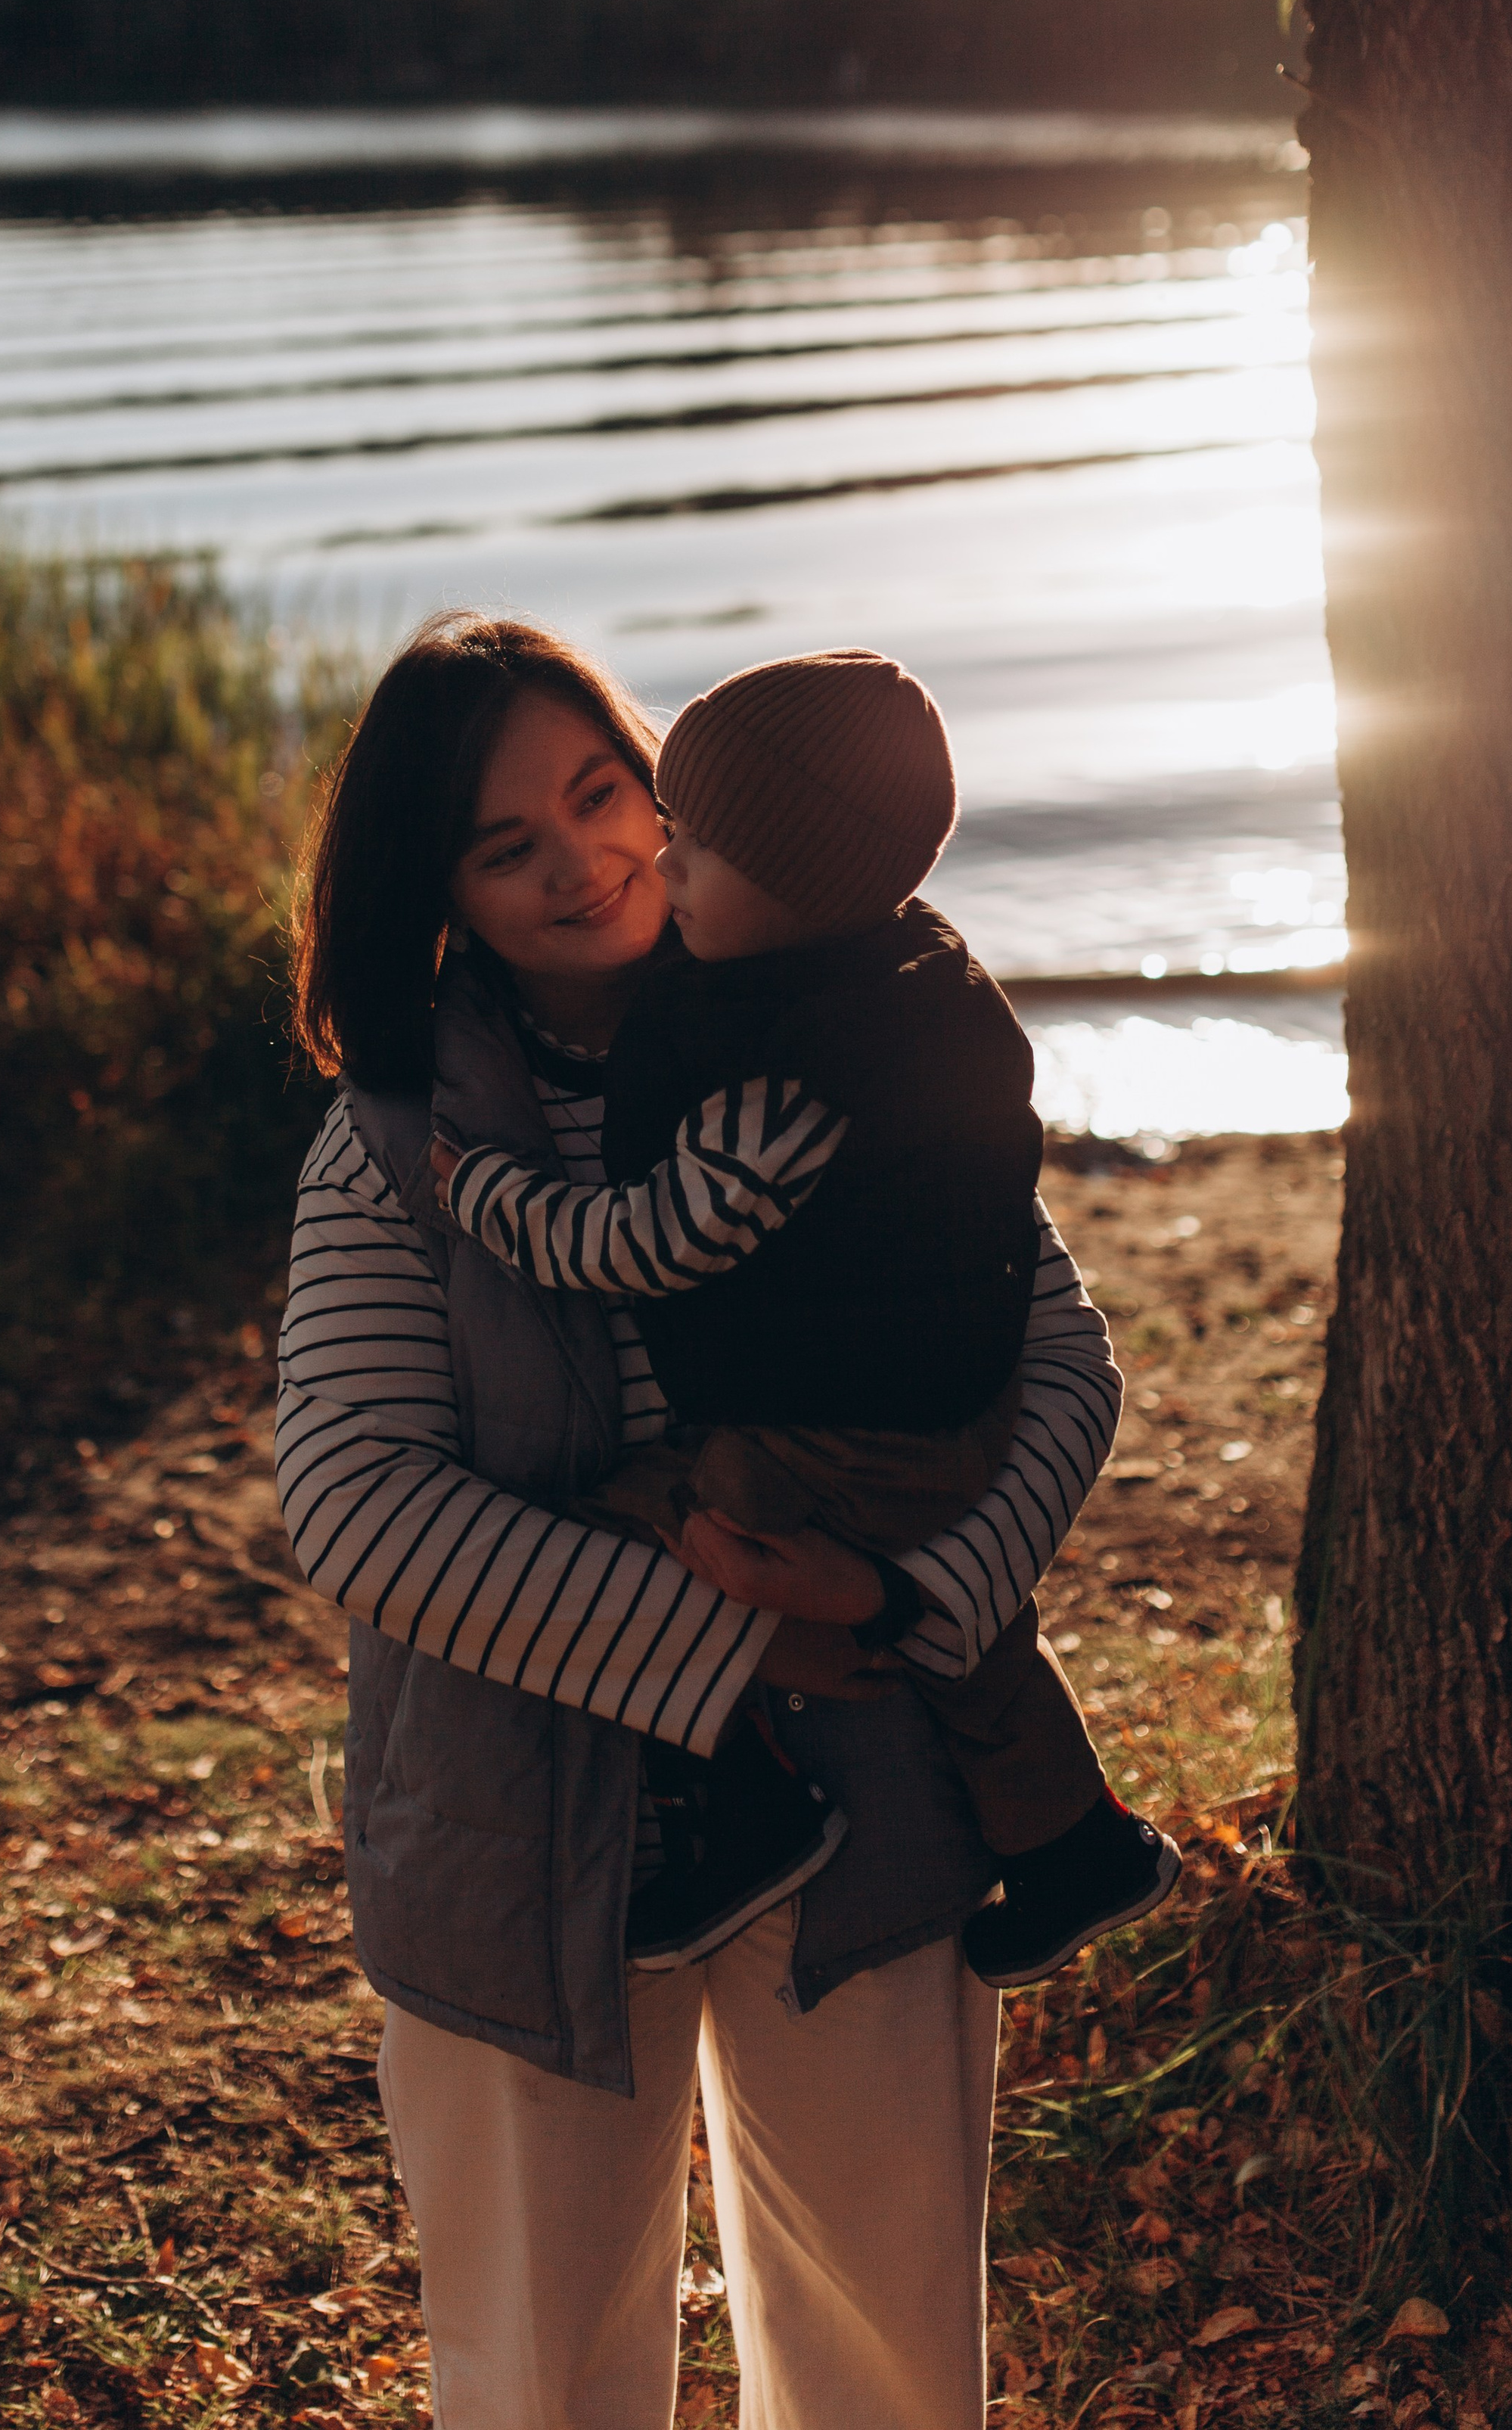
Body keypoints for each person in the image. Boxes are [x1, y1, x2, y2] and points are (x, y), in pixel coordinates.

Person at [277, 611, 1125, 2430]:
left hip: (871, 1789)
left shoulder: (852, 1028)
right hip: (526, 1815)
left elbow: (1054, 1366)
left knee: (888, 2363)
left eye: (602, 794)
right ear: (436, 887)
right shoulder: (402, 1143)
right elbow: (352, 1504)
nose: (583, 862)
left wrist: (907, 1602)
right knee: (543, 2372)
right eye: (507, 844)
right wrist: (740, 1633)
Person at [431, 647, 1179, 1986]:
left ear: (803, 893)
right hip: (941, 1413)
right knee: (982, 1657)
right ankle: (1080, 1845)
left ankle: (745, 1800)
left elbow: (641, 1246)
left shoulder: (779, 1082)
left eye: (681, 842)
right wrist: (917, 1593)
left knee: (660, 1496)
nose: (648, 869)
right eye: (504, 849)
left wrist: (483, 1191)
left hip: (847, 1444)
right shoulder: (904, 988)